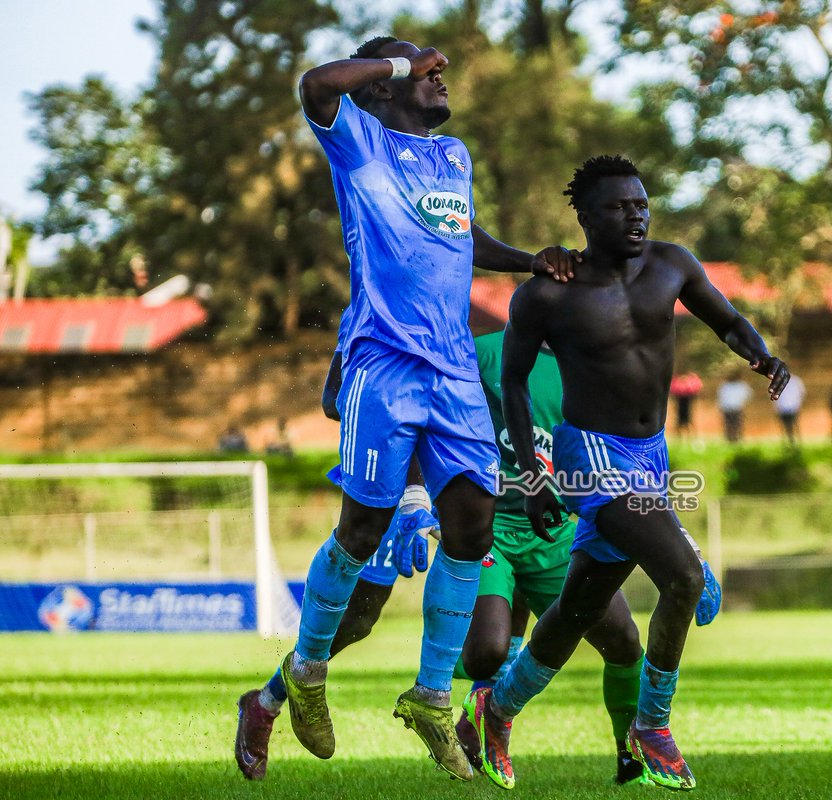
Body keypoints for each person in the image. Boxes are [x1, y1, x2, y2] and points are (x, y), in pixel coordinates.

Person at [238, 35, 577, 783]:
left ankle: (429, 697)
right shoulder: (360, 140)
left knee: (473, 526)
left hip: (454, 369)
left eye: (434, 68)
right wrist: (403, 59)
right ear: (382, 88)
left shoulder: (453, 157)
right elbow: (316, 82)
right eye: (419, 72)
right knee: (359, 534)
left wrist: (530, 259)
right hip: (384, 365)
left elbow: (461, 236)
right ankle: (301, 677)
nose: (438, 75)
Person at [236, 332, 695, 786]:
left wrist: (671, 531)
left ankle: (621, 756)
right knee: (370, 620)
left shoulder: (600, 368)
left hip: (547, 530)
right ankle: (272, 699)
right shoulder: (470, 344)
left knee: (615, 638)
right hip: (441, 505)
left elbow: (631, 456)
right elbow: (373, 405)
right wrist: (416, 492)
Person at [465, 155, 788, 792]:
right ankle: (653, 724)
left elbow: (725, 320)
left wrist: (761, 354)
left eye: (641, 204)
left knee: (575, 610)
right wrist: (533, 480)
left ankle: (495, 711)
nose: (635, 215)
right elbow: (514, 385)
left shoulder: (673, 264)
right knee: (685, 578)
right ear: (585, 218)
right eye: (618, 207)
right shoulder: (548, 292)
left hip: (652, 454)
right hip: (591, 458)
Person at [716, 371, 752, 443]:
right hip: (728, 409)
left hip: (736, 408)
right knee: (729, 424)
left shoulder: (740, 385)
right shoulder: (725, 386)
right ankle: (730, 439)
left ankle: (737, 438)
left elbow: (748, 395)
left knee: (737, 424)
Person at [668, 372, 703, 438]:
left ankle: (690, 436)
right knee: (680, 422)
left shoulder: (687, 388)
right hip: (681, 407)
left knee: (688, 421)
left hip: (686, 407)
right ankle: (679, 436)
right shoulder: (680, 387)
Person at [774, 374, 805, 444]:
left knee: (792, 425)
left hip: (792, 407)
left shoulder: (795, 380)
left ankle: (794, 441)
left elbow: (801, 393)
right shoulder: (795, 380)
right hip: (785, 407)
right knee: (786, 426)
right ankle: (789, 441)